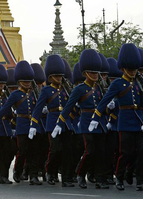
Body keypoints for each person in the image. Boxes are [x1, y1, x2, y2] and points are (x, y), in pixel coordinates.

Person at [91, 43, 143, 191]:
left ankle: (141, 180)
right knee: (125, 153)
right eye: (130, 69)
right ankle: (119, 177)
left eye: (134, 69)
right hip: (124, 122)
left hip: (140, 121)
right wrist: (96, 116)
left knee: (142, 152)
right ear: (123, 68)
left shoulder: (139, 83)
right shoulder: (118, 83)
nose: (133, 72)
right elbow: (105, 100)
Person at [53, 49, 108, 189]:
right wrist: (60, 122)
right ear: (85, 74)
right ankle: (80, 174)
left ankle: (100, 178)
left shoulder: (100, 88)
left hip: (100, 123)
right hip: (86, 123)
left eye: (96, 72)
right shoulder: (80, 89)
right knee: (90, 152)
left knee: (102, 152)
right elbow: (69, 107)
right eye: (92, 72)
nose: (95, 75)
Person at [29, 54, 73, 187]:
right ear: (50, 77)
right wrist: (33, 125)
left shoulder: (66, 89)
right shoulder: (47, 90)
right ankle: (50, 172)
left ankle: (66, 177)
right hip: (52, 122)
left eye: (60, 76)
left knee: (67, 151)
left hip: (65, 123)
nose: (59, 78)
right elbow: (38, 108)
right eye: (57, 76)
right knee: (55, 150)